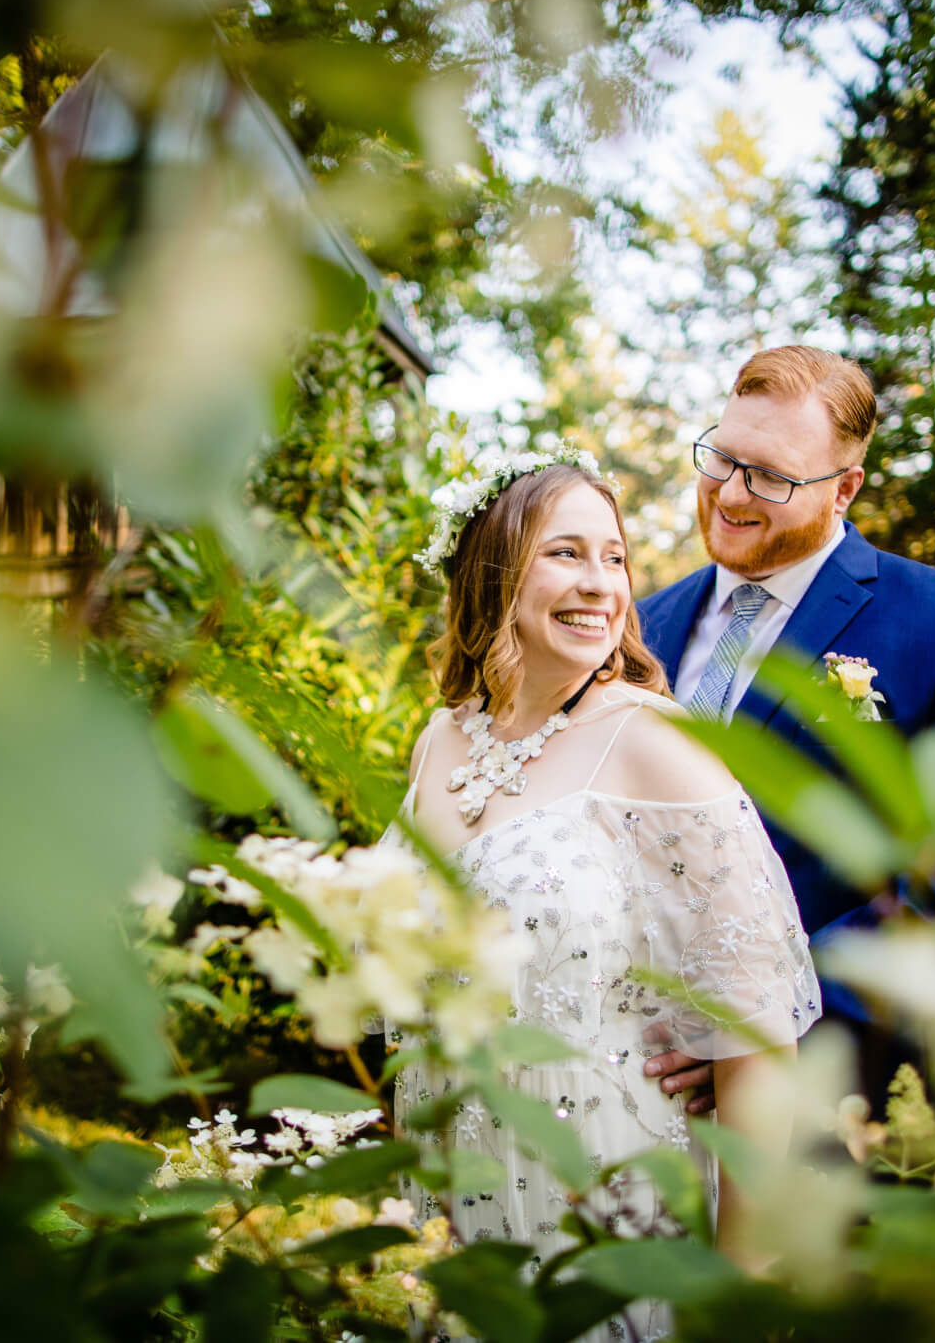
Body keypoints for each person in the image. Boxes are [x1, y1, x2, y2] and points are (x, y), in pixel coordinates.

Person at [385, 449, 820, 1319]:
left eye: (613, 556)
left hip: (607, 1197)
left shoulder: (656, 741)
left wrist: (741, 1295)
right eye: (564, 553)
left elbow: (758, 1033)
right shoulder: (440, 741)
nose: (599, 584)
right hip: (455, 1210)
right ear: (493, 569)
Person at [635, 346, 935, 1102]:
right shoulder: (642, 623)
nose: (730, 493)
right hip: (631, 1085)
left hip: (835, 1096)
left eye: (772, 477)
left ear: (845, 488)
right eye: (721, 458)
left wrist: (771, 1023)